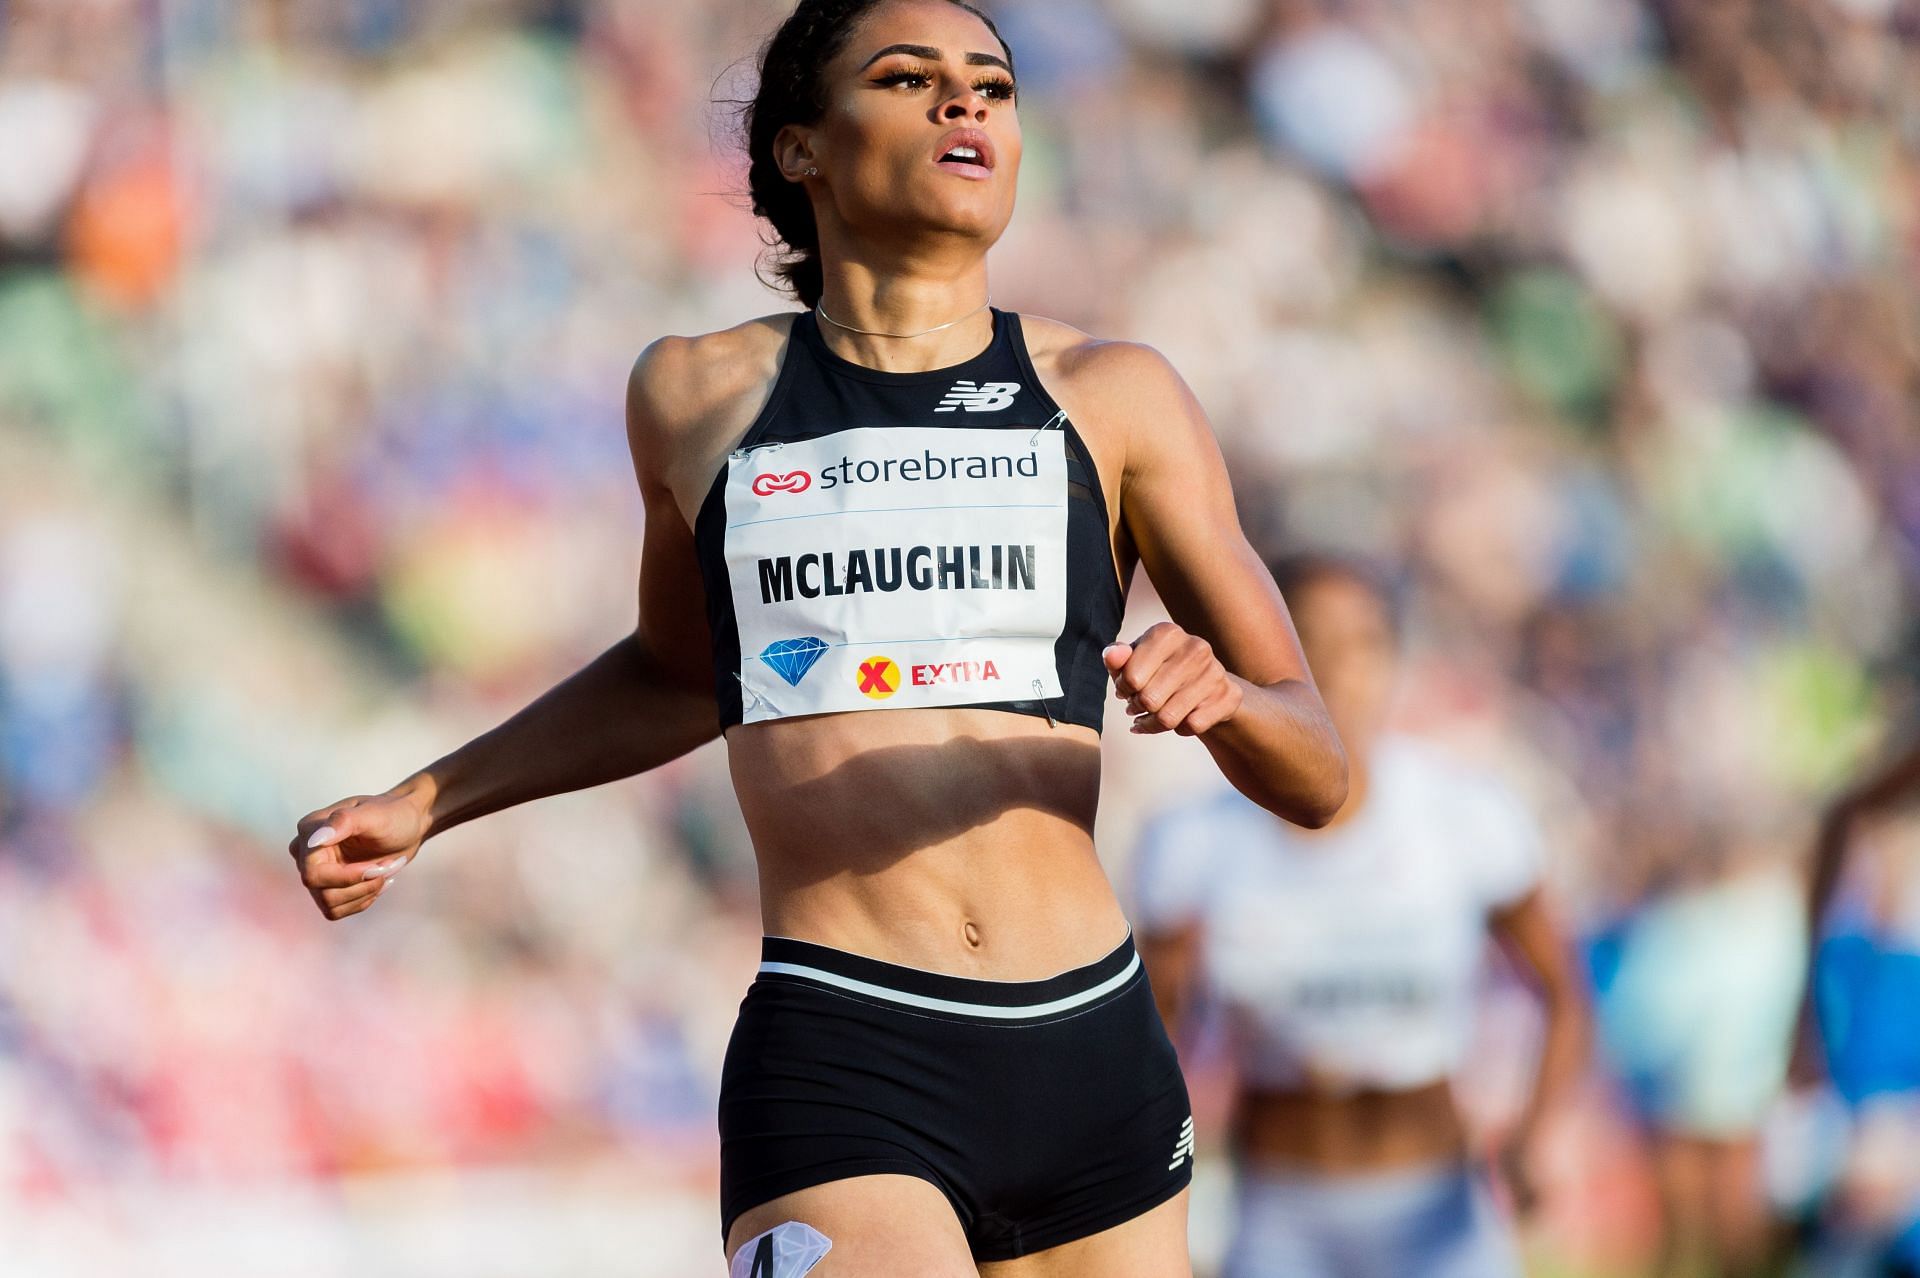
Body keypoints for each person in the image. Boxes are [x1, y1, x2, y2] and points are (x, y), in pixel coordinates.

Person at [285, 3, 1348, 1275]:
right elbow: (681, 675)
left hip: (1092, 1043)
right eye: (910, 80)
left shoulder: (1116, 397)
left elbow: (1321, 768)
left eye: (994, 88)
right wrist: (429, 798)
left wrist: (1228, 698)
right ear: (801, 150)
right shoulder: (695, 396)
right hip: (849, 1046)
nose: (967, 107)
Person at [1133, 553, 1588, 1278]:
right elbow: (1150, 1047)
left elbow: (1564, 991)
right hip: (1278, 1217)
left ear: (1396, 661)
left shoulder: (1464, 813)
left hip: (1439, 1218)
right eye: (1307, 641)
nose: (1337, 670)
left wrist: (1536, 1135)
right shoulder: (1193, 841)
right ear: (1257, 657)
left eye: (1364, 643)